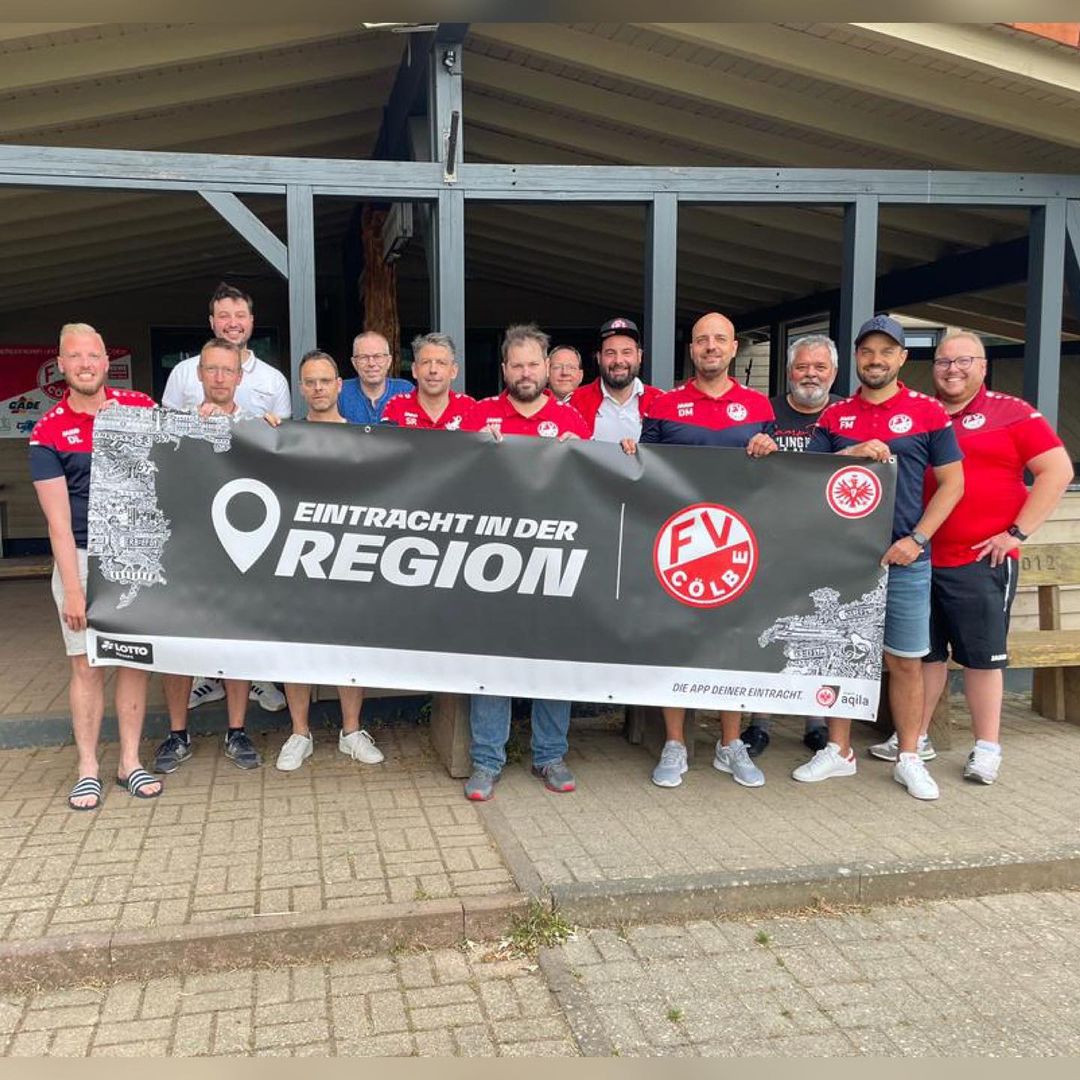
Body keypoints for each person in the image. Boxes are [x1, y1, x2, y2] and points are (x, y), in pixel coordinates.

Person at [869, 329, 1072, 784]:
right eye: (943, 361)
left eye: (964, 361)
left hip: (981, 559)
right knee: (926, 656)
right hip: (919, 558)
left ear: (983, 366)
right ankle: (915, 737)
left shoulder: (1011, 412)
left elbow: (1057, 470)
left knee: (982, 658)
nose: (952, 370)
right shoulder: (921, 412)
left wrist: (1016, 533)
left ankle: (987, 747)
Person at [802, 315, 964, 799]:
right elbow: (806, 476)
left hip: (905, 556)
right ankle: (839, 750)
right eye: (868, 351)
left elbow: (953, 484)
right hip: (844, 557)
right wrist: (849, 453)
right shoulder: (835, 415)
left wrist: (918, 538)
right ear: (857, 357)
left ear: (902, 358)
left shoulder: (928, 411)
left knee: (905, 660)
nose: (876, 360)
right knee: (841, 656)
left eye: (886, 351)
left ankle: (909, 756)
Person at [622, 311, 778, 790]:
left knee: (732, 643)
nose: (711, 346)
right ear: (691, 350)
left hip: (735, 545)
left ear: (733, 348)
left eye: (719, 339)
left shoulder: (757, 406)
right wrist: (629, 452)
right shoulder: (665, 405)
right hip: (679, 544)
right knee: (677, 641)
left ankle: (730, 745)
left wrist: (769, 449)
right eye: (702, 340)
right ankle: (675, 743)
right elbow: (643, 470)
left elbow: (774, 481)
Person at [29, 323, 162, 809]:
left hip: (135, 555)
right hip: (82, 558)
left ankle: (129, 762)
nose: (85, 364)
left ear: (107, 363)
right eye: (75, 356)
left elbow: (188, 452)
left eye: (93, 355)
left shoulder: (140, 407)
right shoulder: (47, 431)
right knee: (86, 666)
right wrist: (73, 588)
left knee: (132, 662)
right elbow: (58, 524)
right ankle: (87, 768)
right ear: (61, 365)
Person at [458, 324, 590, 801]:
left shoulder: (572, 420)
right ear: (504, 369)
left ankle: (549, 755)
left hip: (553, 558)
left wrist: (585, 454)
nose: (526, 372)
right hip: (492, 560)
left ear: (547, 368)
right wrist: (477, 451)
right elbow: (453, 481)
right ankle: (487, 760)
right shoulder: (479, 415)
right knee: (492, 659)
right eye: (517, 365)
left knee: (553, 657)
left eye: (534, 364)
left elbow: (589, 491)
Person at [153, 339, 281, 774]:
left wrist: (277, 435)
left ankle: (237, 730)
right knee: (176, 643)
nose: (220, 378)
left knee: (236, 639)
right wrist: (190, 433)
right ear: (199, 375)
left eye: (228, 370)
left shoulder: (259, 428)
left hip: (237, 552)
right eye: (212, 369)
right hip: (186, 553)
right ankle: (177, 734)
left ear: (240, 377)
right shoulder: (175, 426)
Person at [164, 281, 288, 715]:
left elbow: (282, 445)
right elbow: (167, 433)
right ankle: (206, 678)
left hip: (248, 505)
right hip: (197, 506)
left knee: (248, 598)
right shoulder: (184, 373)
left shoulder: (272, 379)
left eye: (240, 316)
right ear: (212, 322)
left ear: (251, 322)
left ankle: (254, 677)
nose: (232, 324)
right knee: (200, 600)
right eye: (223, 316)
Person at [275, 349, 386, 772]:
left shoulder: (363, 437)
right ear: (301, 388)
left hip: (348, 556)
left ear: (339, 386)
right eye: (310, 381)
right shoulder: (283, 437)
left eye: (325, 380)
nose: (318, 388)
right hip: (297, 557)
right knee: (295, 646)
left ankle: (351, 731)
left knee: (350, 643)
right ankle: (299, 733)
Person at [741, 334, 844, 758]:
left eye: (819, 367)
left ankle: (816, 721)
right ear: (788, 372)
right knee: (769, 630)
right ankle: (760, 721)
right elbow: (744, 470)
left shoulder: (846, 414)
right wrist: (756, 448)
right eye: (802, 367)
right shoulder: (765, 412)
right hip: (772, 541)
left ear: (833, 373)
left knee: (822, 633)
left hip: (828, 544)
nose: (810, 375)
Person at [569, 318, 662, 442]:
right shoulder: (575, 401)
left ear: (639, 356)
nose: (618, 361)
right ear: (599, 358)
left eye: (626, 352)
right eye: (610, 353)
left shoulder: (661, 402)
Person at [381, 332, 475, 430]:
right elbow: (384, 439)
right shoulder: (397, 406)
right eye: (425, 362)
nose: (433, 370)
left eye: (441, 363)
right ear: (414, 370)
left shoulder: (469, 408)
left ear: (453, 371)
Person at [338, 329, 413, 424]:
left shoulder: (405, 390)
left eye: (378, 356)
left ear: (389, 361)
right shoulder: (340, 392)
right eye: (364, 357)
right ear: (354, 363)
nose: (371, 363)